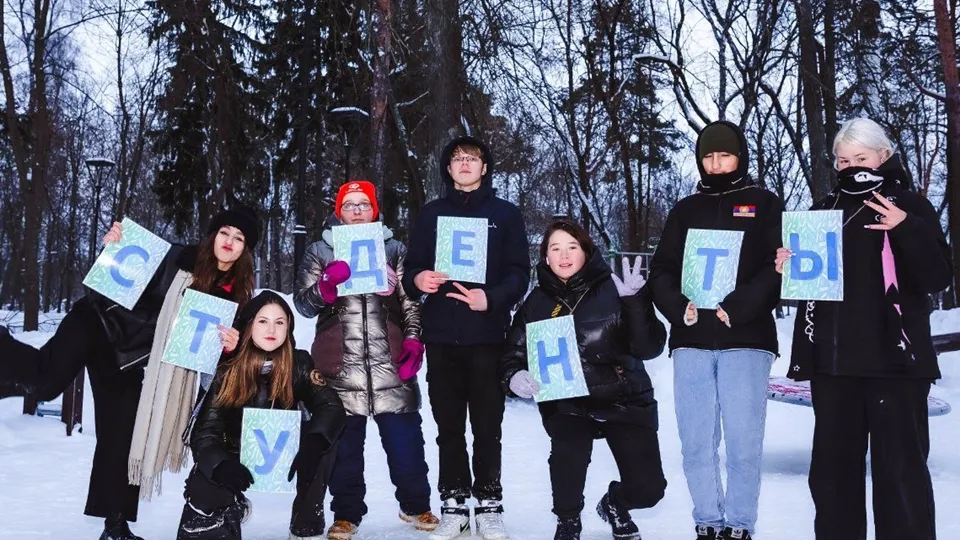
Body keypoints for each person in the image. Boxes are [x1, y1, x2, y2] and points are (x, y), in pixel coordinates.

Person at [0, 207, 259, 540]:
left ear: (245, 250)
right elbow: (120, 271)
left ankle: (116, 526)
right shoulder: (176, 257)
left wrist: (228, 347)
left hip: (128, 358)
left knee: (121, 438)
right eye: (224, 232)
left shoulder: (232, 299)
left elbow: (205, 354)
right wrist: (113, 247)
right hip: (96, 321)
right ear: (213, 235)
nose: (229, 241)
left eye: (239, 238)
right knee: (46, 383)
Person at [775, 118, 951, 540]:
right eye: (843, 160)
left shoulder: (909, 205)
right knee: (832, 479)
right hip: (834, 367)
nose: (851, 166)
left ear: (883, 156)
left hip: (896, 365)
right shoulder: (822, 210)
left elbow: (938, 277)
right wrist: (787, 267)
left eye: (861, 157)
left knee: (901, 477)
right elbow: (810, 290)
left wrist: (906, 227)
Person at [648, 121, 783, 540]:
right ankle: (707, 520)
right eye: (709, 156)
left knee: (743, 442)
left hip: (747, 339)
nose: (717, 163)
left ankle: (740, 525)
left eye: (724, 155)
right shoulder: (685, 210)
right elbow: (661, 270)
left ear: (740, 157)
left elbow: (777, 267)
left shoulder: (764, 203)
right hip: (692, 340)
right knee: (695, 441)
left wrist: (738, 307)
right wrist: (678, 307)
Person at [499, 220, 667, 540]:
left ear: (586, 252)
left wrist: (636, 302)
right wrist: (514, 376)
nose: (564, 256)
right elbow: (512, 354)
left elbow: (650, 348)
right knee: (568, 452)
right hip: (567, 402)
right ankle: (568, 520)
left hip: (623, 397)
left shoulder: (615, 288)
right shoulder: (536, 302)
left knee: (649, 490)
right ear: (546, 257)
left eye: (572, 247)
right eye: (555, 248)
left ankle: (616, 503)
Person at [293, 180, 438, 539]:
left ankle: (416, 505)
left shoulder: (394, 249)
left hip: (390, 363)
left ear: (375, 210)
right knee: (344, 451)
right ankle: (346, 513)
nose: (357, 210)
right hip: (339, 367)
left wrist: (414, 340)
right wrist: (325, 286)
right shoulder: (320, 251)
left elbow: (410, 303)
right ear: (338, 211)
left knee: (406, 446)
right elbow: (303, 305)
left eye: (364, 204)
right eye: (349, 204)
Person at [402, 136, 530, 540]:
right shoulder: (431, 214)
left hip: (488, 337)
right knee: (449, 427)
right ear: (448, 168)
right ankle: (454, 504)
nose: (464, 164)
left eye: (472, 158)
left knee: (488, 426)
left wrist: (491, 298)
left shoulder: (505, 214)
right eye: (457, 158)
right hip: (441, 337)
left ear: (484, 167)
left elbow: (519, 273)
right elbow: (411, 270)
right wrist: (419, 279)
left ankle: (489, 504)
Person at [176, 291, 346, 540]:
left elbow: (330, 406)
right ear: (249, 325)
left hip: (284, 451)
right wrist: (220, 465)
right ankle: (225, 510)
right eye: (263, 321)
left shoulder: (299, 362)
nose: (272, 329)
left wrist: (314, 441)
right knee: (205, 488)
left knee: (323, 441)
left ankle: (305, 526)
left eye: (280, 322)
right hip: (235, 452)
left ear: (288, 328)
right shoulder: (227, 367)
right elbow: (205, 430)